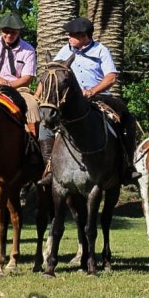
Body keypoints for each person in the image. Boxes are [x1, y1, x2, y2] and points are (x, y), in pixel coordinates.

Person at [38, 17, 138, 185]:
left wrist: (92, 91)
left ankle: (127, 166)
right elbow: (52, 74)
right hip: (70, 103)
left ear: (84, 36)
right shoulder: (65, 51)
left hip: (99, 97)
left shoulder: (101, 50)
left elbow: (111, 77)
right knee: (44, 126)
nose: (68, 37)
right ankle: (50, 168)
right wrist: (39, 96)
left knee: (127, 120)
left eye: (72, 35)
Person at [0, 13, 41, 138]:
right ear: (1, 30)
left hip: (18, 89)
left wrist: (8, 85)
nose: (9, 35)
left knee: (32, 106)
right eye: (6, 31)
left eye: (13, 32)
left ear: (19, 31)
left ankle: (34, 145)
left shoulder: (28, 49)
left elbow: (27, 78)